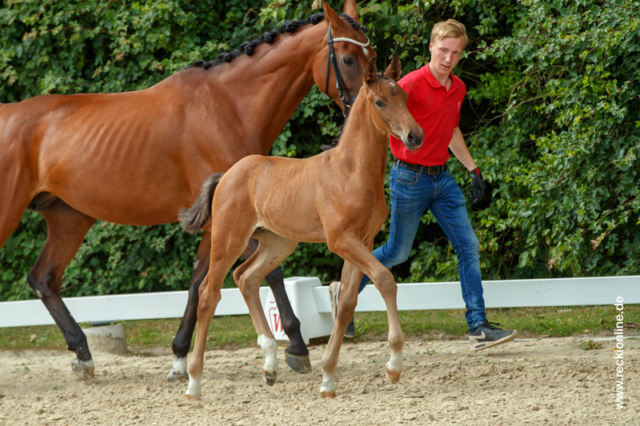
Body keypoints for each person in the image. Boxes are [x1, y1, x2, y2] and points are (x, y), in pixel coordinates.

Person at [329, 19, 516, 350]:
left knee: (468, 246)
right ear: (431, 47)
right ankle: (345, 290)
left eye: (455, 53)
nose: (448, 58)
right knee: (397, 252)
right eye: (443, 50)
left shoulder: (457, 87)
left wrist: (472, 169)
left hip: (443, 179)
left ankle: (478, 326)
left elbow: (452, 131)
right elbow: (385, 115)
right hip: (409, 178)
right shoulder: (409, 84)